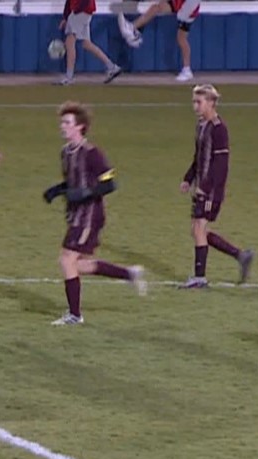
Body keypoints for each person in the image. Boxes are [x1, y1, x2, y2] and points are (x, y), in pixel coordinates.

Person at [43, 101, 146, 326]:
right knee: (79, 265)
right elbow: (72, 182)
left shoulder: (92, 153)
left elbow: (109, 184)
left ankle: (74, 315)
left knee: (66, 259)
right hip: (75, 215)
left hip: (90, 216)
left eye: (67, 122)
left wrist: (85, 194)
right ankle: (129, 274)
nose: (63, 126)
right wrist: (56, 190)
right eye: (62, 122)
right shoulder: (66, 152)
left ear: (80, 126)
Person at [179, 84, 254, 289]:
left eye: (199, 102)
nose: (195, 106)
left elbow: (221, 165)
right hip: (202, 187)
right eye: (194, 101)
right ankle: (241, 255)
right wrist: (188, 178)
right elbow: (199, 157)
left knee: (199, 228)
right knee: (197, 230)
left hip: (210, 190)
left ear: (211, 102)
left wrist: (209, 190)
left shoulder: (219, 129)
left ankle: (200, 278)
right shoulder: (201, 125)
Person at [117, 0, 200, 81]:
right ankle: (132, 27)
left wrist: (182, 14)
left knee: (181, 39)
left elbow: (189, 7)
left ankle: (187, 70)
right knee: (156, 8)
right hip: (183, 4)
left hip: (189, 9)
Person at [58, 0, 123, 86]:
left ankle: (69, 77)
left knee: (70, 42)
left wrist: (74, 12)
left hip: (80, 10)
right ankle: (112, 67)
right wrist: (67, 17)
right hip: (86, 11)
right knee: (86, 44)